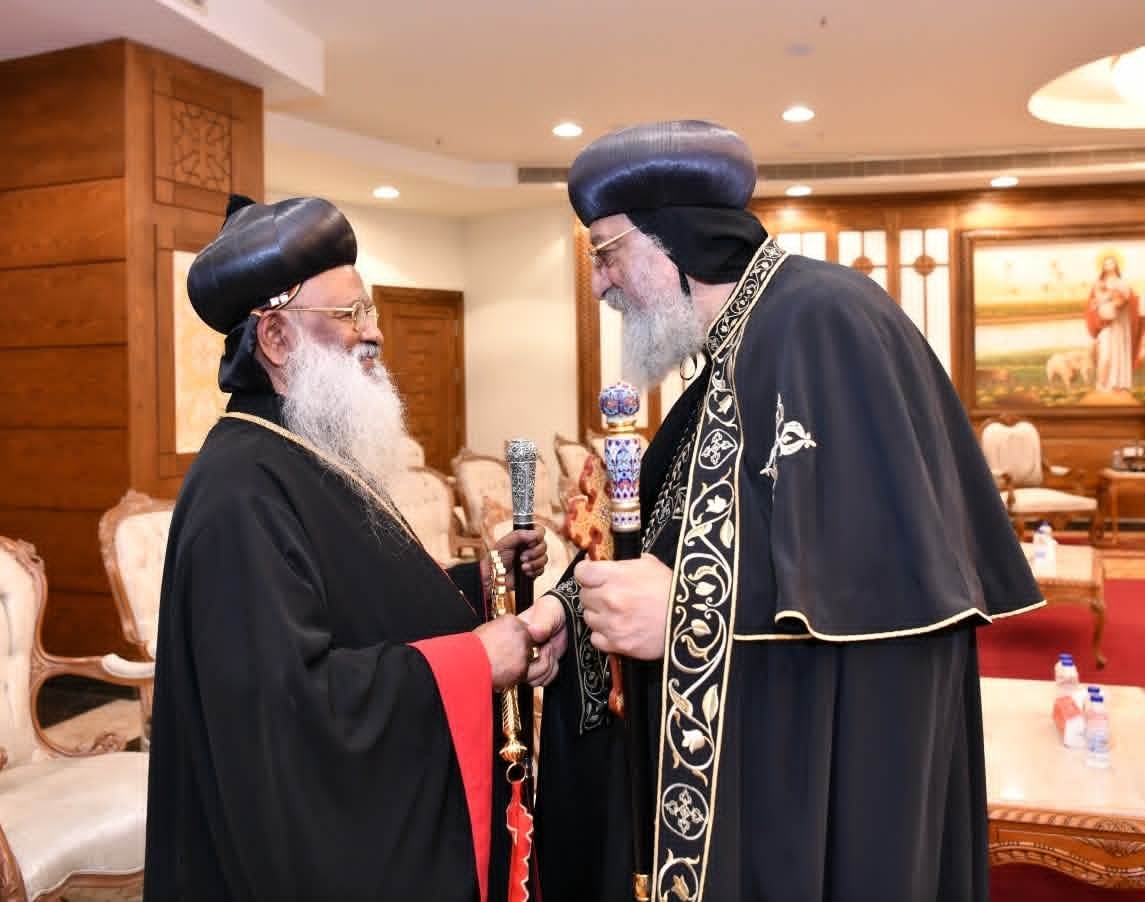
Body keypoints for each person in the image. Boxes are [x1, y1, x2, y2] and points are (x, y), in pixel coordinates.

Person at [530, 121, 1044, 902]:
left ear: (674, 236)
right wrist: (568, 613)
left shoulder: (819, 319)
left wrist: (688, 614)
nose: (598, 285)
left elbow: (886, 582)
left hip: (834, 771)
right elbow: (675, 528)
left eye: (604, 253)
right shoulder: (739, 344)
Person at [144, 195, 567, 901]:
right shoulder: (239, 490)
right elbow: (290, 712)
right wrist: (475, 661)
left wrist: (482, 577)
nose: (373, 333)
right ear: (276, 338)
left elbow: (362, 600)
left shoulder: (306, 450)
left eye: (368, 311)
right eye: (349, 314)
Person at [1085, 252, 1142, 392]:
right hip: (1107, 323)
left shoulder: (1123, 282)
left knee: (1121, 350)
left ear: (1116, 265)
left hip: (1122, 322)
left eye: (1112, 262)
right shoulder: (1099, 283)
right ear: (1102, 266)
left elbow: (1130, 299)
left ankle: (1120, 384)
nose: (1109, 265)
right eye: (1106, 263)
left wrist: (1125, 300)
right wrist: (1101, 303)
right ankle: (1103, 384)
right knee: (1106, 354)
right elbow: (1093, 302)